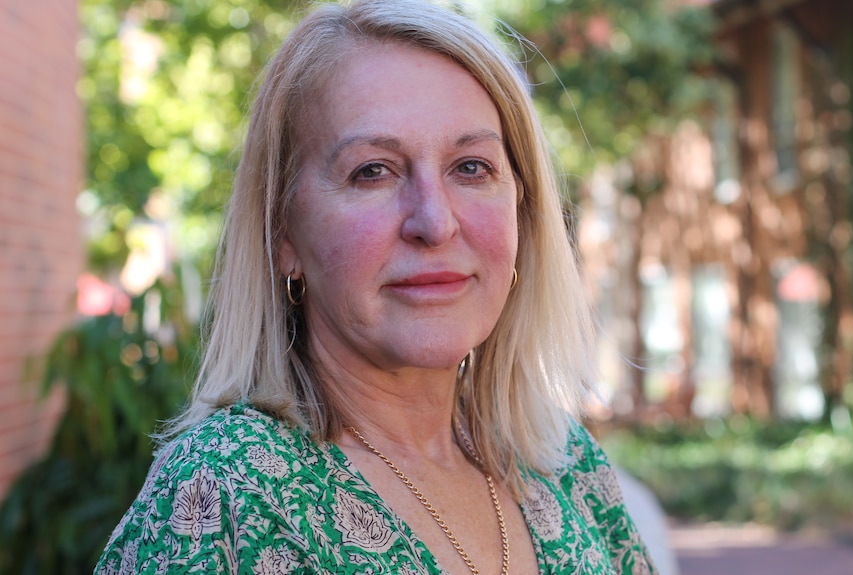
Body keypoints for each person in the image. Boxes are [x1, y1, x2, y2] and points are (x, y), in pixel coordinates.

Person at [95, 1, 657, 573]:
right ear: (282, 232)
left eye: (471, 167)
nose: (434, 223)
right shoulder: (225, 495)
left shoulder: (565, 467)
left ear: (522, 207)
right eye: (373, 171)